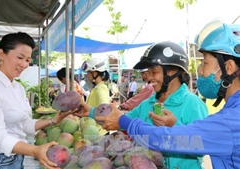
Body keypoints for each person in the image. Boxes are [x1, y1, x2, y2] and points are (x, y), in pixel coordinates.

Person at [95, 19, 240, 169]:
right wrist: (175, 125)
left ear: (228, 67)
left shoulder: (231, 121)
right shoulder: (232, 114)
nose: (201, 71)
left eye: (205, 63)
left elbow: (169, 140)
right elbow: (193, 140)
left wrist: (125, 122)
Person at [76, 41, 209, 169]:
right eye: (148, 72)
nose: (149, 78)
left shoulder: (193, 105)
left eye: (154, 72)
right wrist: (92, 112)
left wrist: (174, 127)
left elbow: (202, 146)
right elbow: (120, 120)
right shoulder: (147, 104)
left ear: (172, 71)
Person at [0, 32, 76, 169]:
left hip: (17, 158)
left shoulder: (17, 87)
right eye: (20, 57)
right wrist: (34, 150)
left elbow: (24, 124)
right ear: (2, 54)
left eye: (27, 60)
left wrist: (53, 121)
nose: (24, 64)